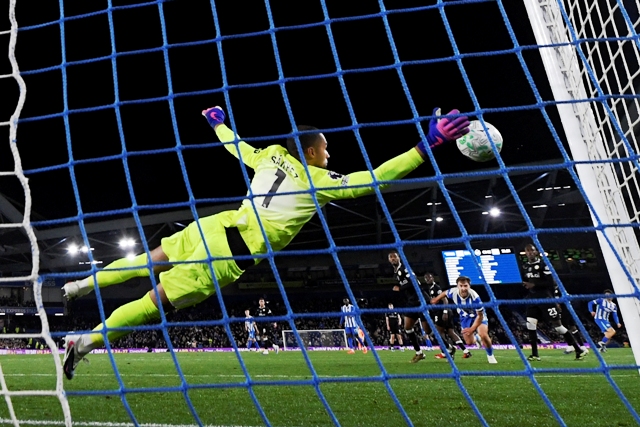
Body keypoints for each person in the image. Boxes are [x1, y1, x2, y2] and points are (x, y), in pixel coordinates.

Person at [60, 105, 470, 379]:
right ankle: (83, 343)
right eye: (326, 148)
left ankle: (79, 285)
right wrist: (426, 146)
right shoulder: (319, 180)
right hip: (231, 252)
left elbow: (236, 147)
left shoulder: (271, 154)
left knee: (149, 257)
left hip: (217, 223)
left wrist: (217, 122)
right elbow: (375, 178)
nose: (330, 154)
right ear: (311, 152)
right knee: (154, 302)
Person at [521, 243, 587, 361]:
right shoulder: (525, 266)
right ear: (525, 253)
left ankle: (578, 350)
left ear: (536, 252)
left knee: (558, 327)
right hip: (533, 300)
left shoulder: (544, 265)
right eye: (527, 251)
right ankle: (535, 354)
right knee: (530, 325)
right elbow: (528, 281)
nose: (530, 253)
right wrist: (526, 285)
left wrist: (535, 285)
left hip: (546, 299)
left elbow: (550, 283)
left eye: (532, 250)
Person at [388, 251, 454, 363]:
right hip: (411, 301)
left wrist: (400, 288)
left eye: (395, 256)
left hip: (421, 300)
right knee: (407, 327)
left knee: (428, 331)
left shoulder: (405, 268)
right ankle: (419, 353)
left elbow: (414, 282)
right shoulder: (396, 271)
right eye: (391, 257)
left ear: (399, 258)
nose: (393, 258)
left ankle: (448, 348)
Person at [430, 276, 497, 364]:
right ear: (457, 286)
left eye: (465, 286)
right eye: (461, 286)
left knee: (483, 334)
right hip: (464, 317)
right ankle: (477, 338)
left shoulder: (475, 297)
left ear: (469, 286)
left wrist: (472, 329)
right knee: (469, 342)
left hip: (477, 316)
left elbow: (480, 316)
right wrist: (436, 299)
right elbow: (445, 293)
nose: (463, 288)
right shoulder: (453, 292)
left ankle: (490, 355)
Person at [424, 272, 471, 359]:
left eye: (429, 277)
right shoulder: (431, 289)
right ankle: (465, 351)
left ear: (433, 278)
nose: (427, 279)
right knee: (451, 332)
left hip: (442, 311)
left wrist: (445, 312)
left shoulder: (436, 288)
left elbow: (445, 300)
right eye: (426, 278)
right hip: (445, 311)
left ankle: (446, 352)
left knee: (439, 332)